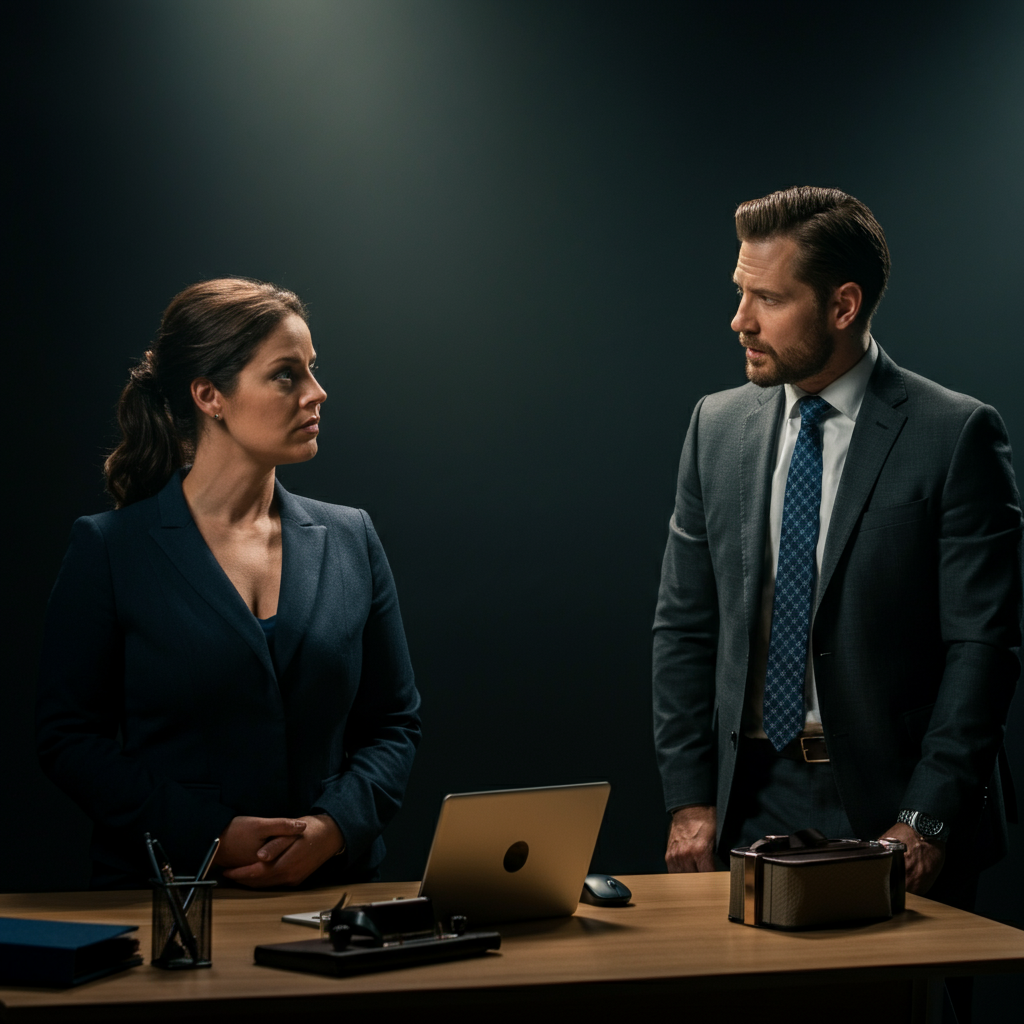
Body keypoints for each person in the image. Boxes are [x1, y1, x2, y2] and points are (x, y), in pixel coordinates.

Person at [652, 187, 1021, 914]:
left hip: (893, 813)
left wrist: (925, 821)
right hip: (745, 803)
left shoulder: (956, 435)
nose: (740, 320)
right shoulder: (715, 427)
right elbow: (684, 628)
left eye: (768, 298)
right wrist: (689, 801)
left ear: (843, 305)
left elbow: (984, 646)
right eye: (739, 292)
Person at [37, 278, 421, 889]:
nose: (317, 393)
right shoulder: (109, 549)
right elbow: (67, 738)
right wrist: (208, 832)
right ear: (209, 395)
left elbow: (394, 722)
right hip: (172, 898)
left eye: (313, 370)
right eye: (286, 375)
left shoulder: (353, 538)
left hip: (333, 897)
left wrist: (336, 827)